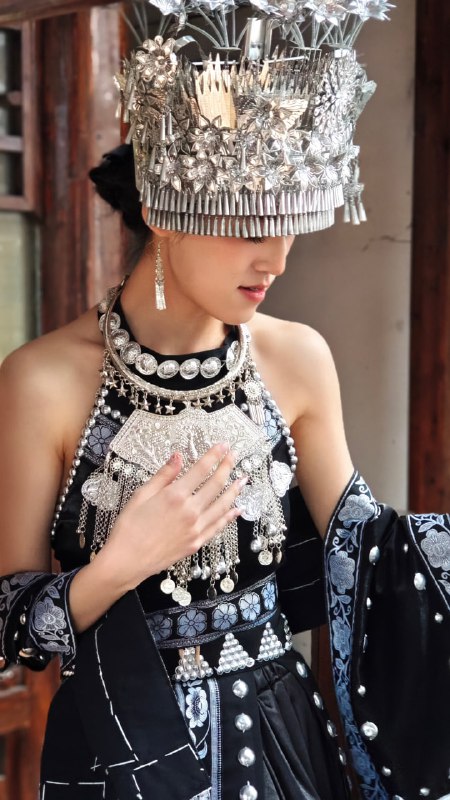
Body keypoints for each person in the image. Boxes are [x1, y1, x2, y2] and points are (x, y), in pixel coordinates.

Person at [0, 3, 449, 800]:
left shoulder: (297, 358)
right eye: (249, 223)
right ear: (160, 209)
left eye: (289, 223)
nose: (276, 259)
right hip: (119, 756)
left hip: (282, 745)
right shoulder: (41, 382)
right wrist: (119, 567)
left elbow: (371, 557)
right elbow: (12, 622)